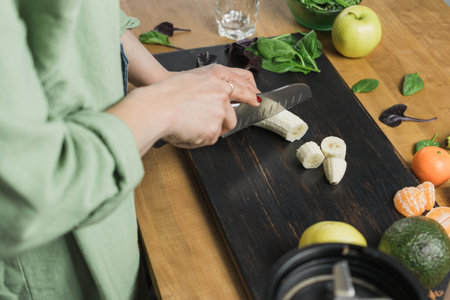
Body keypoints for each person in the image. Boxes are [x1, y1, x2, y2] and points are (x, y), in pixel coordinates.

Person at [0, 2, 260, 300]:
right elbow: (27, 193)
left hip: (114, 218)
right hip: (48, 271)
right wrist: (162, 107)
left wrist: (163, 81)